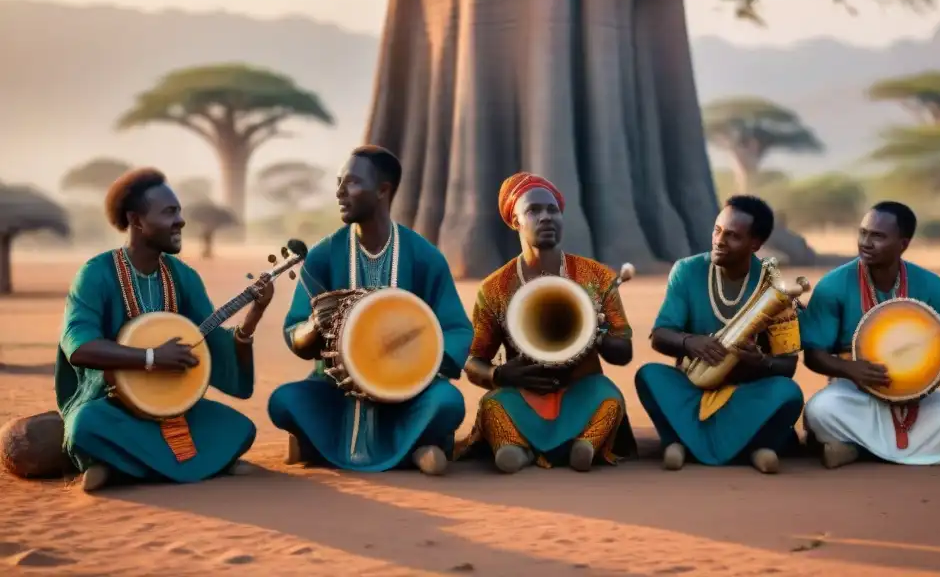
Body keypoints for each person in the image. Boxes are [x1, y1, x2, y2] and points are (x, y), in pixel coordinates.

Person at [57, 168, 272, 493]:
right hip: (113, 405)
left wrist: (254, 315)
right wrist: (151, 357)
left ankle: (118, 468)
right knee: (84, 426)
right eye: (169, 212)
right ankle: (201, 465)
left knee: (240, 429)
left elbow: (212, 343)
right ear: (136, 220)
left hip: (175, 407)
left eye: (179, 212)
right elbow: (79, 347)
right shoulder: (96, 274)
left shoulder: (183, 276)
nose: (180, 221)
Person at [267, 145, 472, 475]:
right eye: (338, 183)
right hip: (337, 393)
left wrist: (415, 360)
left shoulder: (424, 256)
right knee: (283, 401)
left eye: (351, 183)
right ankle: (418, 450)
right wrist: (313, 328)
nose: (339, 192)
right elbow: (295, 330)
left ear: (382, 190)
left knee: (448, 403)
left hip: (407, 393)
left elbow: (457, 330)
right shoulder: (323, 255)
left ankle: (320, 446)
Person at [800, 201, 940, 468]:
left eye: (878, 236)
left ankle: (856, 450)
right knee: (821, 410)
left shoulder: (931, 286)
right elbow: (813, 355)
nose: (866, 242)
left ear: (903, 244)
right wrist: (850, 369)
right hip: (855, 395)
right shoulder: (834, 285)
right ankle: (915, 450)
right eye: (863, 232)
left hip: (917, 398)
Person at [456, 172, 637, 473]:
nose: (546, 217)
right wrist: (500, 376)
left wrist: (598, 334)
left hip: (583, 389)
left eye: (552, 210)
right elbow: (474, 361)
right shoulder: (494, 288)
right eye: (533, 211)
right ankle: (520, 449)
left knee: (609, 399)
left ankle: (583, 445)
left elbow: (625, 352)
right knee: (492, 406)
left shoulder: (597, 277)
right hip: (524, 395)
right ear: (515, 221)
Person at [634, 195, 804, 474]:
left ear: (755, 244)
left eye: (733, 236)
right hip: (692, 387)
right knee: (650, 376)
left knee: (788, 393)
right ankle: (753, 448)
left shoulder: (773, 287)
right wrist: (690, 342)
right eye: (717, 230)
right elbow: (660, 335)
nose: (719, 240)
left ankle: (681, 444)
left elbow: (788, 365)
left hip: (745, 392)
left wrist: (760, 362)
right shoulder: (687, 271)